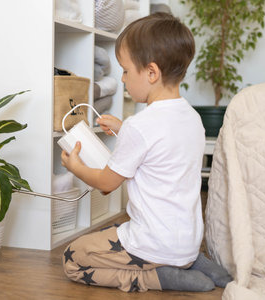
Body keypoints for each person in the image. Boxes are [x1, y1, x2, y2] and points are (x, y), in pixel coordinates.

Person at [60, 12, 231, 293]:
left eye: (126, 70)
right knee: (172, 244)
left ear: (152, 72)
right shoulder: (191, 118)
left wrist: (75, 166)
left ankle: (155, 277)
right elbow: (162, 146)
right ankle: (193, 263)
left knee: (72, 258)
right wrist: (125, 128)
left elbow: (106, 185)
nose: (124, 79)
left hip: (151, 243)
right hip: (187, 240)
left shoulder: (140, 127)